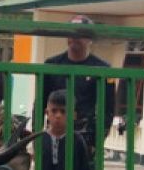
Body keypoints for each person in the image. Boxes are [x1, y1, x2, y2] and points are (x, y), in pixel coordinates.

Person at [41, 15, 115, 161]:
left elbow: (107, 110)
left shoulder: (103, 69)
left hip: (84, 135)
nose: (75, 37)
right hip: (54, 134)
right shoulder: (51, 65)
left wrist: (96, 142)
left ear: (90, 39)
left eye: (81, 34)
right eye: (71, 33)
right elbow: (40, 102)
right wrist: (37, 138)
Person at [40, 90, 93, 170]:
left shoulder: (77, 140)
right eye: (54, 111)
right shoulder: (41, 139)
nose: (58, 116)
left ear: (74, 115)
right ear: (47, 113)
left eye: (63, 111)